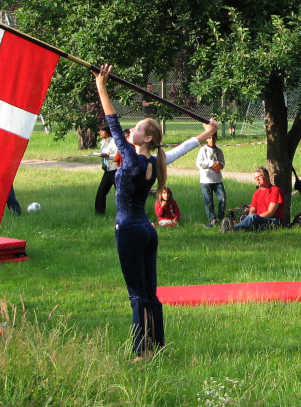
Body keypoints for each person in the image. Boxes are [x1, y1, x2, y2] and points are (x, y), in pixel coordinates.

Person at [93, 64, 218, 361]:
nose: (130, 131)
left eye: (137, 129)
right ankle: (156, 346)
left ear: (147, 138)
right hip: (147, 232)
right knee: (150, 293)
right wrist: (208, 133)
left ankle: (142, 352)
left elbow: (112, 121)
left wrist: (102, 86)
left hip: (130, 231)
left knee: (138, 294)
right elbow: (184, 148)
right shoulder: (156, 160)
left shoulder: (136, 162)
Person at [222, 167, 285, 232]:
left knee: (253, 217)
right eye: (255, 178)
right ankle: (231, 229)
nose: (257, 179)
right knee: (251, 219)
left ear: (266, 176)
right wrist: (251, 218)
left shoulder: (275, 191)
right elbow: (252, 211)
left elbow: (270, 213)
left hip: (273, 221)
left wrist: (256, 218)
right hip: (258, 220)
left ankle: (232, 229)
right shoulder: (256, 194)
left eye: (259, 177)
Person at [196, 134, 226, 226]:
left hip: (217, 179)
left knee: (223, 198)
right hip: (206, 179)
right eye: (209, 138)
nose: (212, 139)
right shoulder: (203, 150)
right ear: (206, 139)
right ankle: (212, 219)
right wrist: (211, 163)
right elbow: (199, 163)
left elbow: (223, 163)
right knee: (208, 201)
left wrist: (220, 165)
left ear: (216, 138)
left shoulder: (219, 151)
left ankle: (220, 217)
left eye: (213, 137)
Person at [94, 125, 119, 215]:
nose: (100, 132)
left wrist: (108, 156)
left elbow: (117, 155)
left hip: (114, 170)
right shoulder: (102, 142)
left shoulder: (113, 142)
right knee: (101, 192)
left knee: (121, 192)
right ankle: (99, 213)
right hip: (107, 170)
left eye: (102, 131)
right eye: (99, 130)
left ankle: (129, 211)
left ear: (107, 131)